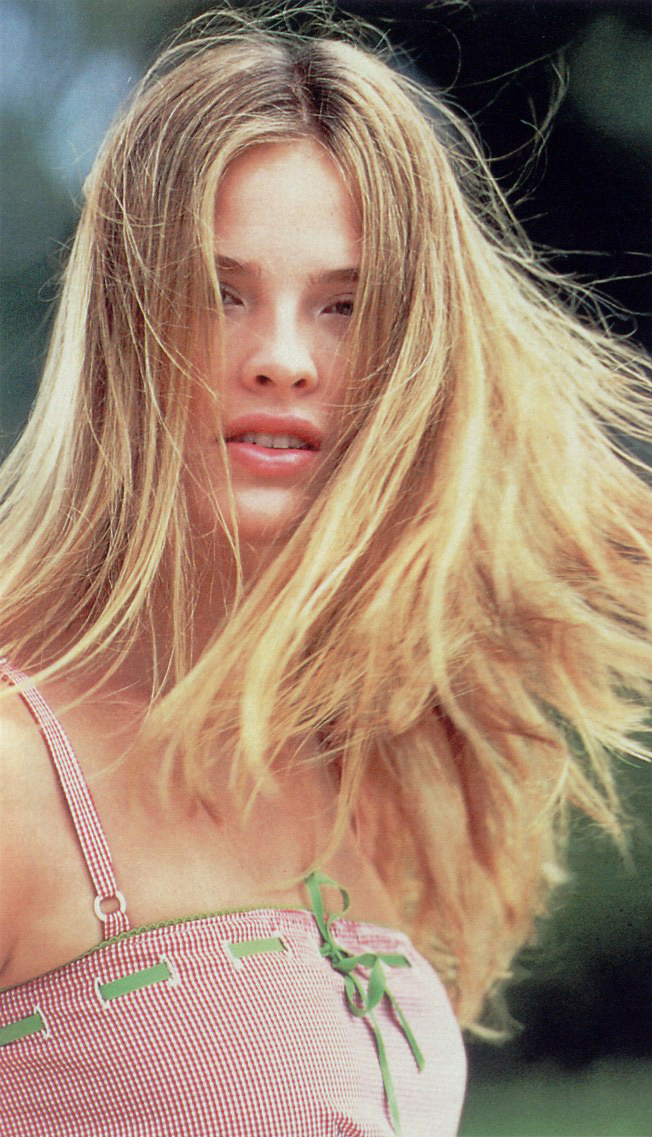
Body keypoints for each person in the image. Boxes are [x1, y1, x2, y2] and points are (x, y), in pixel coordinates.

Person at [1, 6, 650, 1135]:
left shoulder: (366, 770)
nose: (285, 359)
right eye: (221, 291)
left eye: (345, 306)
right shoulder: (18, 779)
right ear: (124, 331)